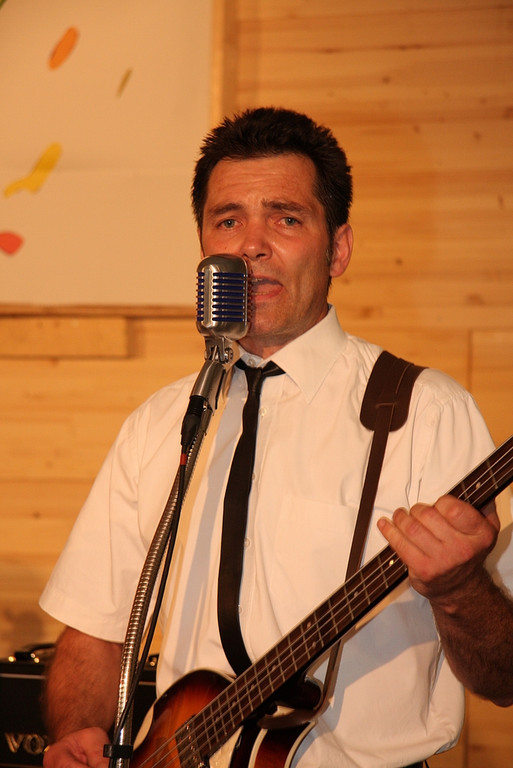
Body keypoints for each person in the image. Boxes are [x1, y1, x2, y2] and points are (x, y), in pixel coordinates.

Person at [40, 107, 513, 768]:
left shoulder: (425, 412)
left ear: (338, 249)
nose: (250, 245)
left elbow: (504, 674)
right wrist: (76, 732)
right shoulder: (159, 422)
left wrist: (459, 590)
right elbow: (95, 629)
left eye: (285, 219)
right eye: (227, 220)